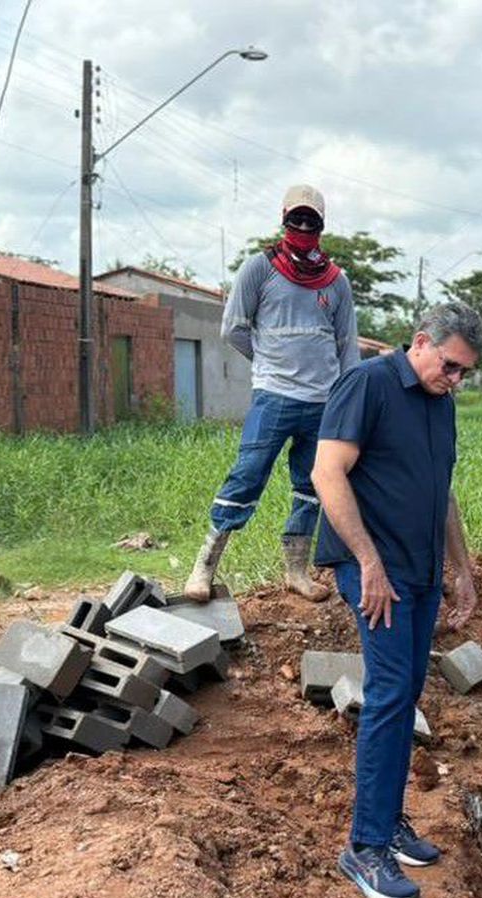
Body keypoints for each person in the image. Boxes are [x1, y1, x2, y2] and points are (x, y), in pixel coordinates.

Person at [312, 302, 482, 898]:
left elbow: (441, 491)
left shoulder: (442, 405)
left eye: (464, 372)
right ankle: (364, 848)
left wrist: (460, 567)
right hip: (374, 571)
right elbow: (327, 473)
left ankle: (388, 821)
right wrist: (367, 562)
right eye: (450, 365)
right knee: (388, 693)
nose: (455, 379)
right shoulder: (368, 384)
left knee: (408, 690)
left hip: (416, 571)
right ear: (420, 343)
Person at [185, 184, 360, 604]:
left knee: (312, 485)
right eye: (296, 218)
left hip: (323, 401)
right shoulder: (258, 269)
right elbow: (234, 329)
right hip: (273, 396)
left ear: (322, 224)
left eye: (311, 220)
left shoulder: (336, 282)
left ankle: (297, 571)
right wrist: (267, 362)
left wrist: (348, 398)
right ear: (283, 218)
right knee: (246, 476)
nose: (303, 226)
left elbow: (347, 347)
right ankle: (203, 569)